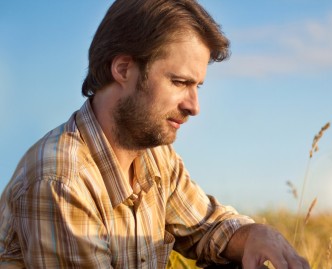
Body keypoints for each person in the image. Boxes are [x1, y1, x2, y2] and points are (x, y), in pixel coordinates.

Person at [0, 1, 310, 269]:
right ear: (123, 69)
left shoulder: (154, 154)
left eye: (197, 86)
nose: (194, 106)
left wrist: (257, 234)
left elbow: (207, 227)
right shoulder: (60, 182)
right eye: (179, 82)